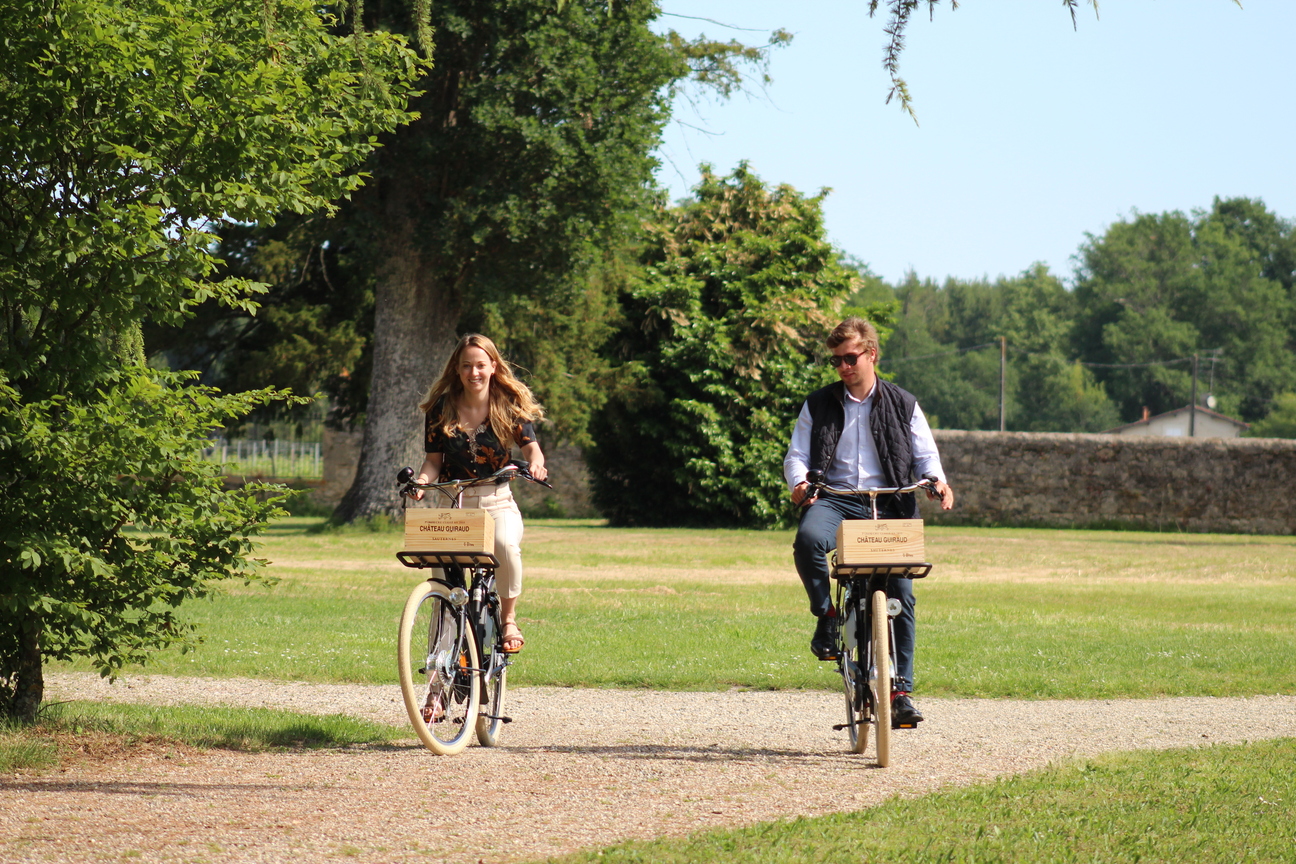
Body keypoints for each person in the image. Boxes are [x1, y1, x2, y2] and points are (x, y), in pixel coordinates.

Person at [783, 317, 954, 728]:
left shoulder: (903, 403)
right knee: (808, 540)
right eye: (836, 360)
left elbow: (925, 456)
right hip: (837, 500)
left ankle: (901, 693)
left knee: (903, 595)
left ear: (871, 354)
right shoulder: (819, 403)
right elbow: (796, 456)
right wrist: (800, 483)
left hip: (891, 505)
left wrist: (938, 482)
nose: (843, 366)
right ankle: (826, 619)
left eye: (850, 357)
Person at [414, 333, 547, 654]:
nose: (474, 372)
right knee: (444, 590)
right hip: (454, 505)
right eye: (466, 366)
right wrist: (420, 481)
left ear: (493, 367)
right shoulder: (440, 409)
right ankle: (437, 685)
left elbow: (533, 451)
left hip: (498, 502)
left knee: (505, 547)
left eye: (480, 365)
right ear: (457, 370)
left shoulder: (508, 405)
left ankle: (509, 618)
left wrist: (536, 465)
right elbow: (433, 462)